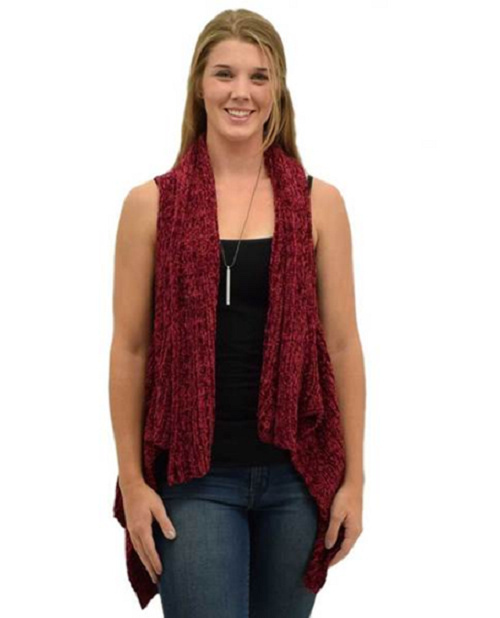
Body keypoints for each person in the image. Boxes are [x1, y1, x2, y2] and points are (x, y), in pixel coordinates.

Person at [109, 8, 366, 617]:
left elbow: (342, 345)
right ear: (200, 85)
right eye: (224, 73)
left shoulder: (320, 204)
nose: (240, 92)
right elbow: (130, 349)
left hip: (296, 477)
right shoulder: (150, 205)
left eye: (259, 76)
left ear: (277, 91)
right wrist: (133, 482)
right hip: (195, 479)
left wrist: (354, 479)